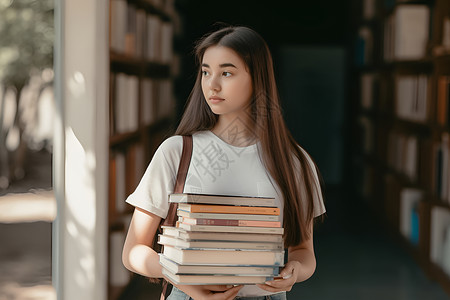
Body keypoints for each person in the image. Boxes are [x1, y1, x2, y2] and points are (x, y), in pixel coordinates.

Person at [122, 25, 326, 300]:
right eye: (206, 72)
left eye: (226, 73)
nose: (212, 84)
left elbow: (304, 251)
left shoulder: (295, 162)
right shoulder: (177, 151)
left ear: (258, 79)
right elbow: (133, 251)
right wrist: (181, 277)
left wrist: (295, 271)